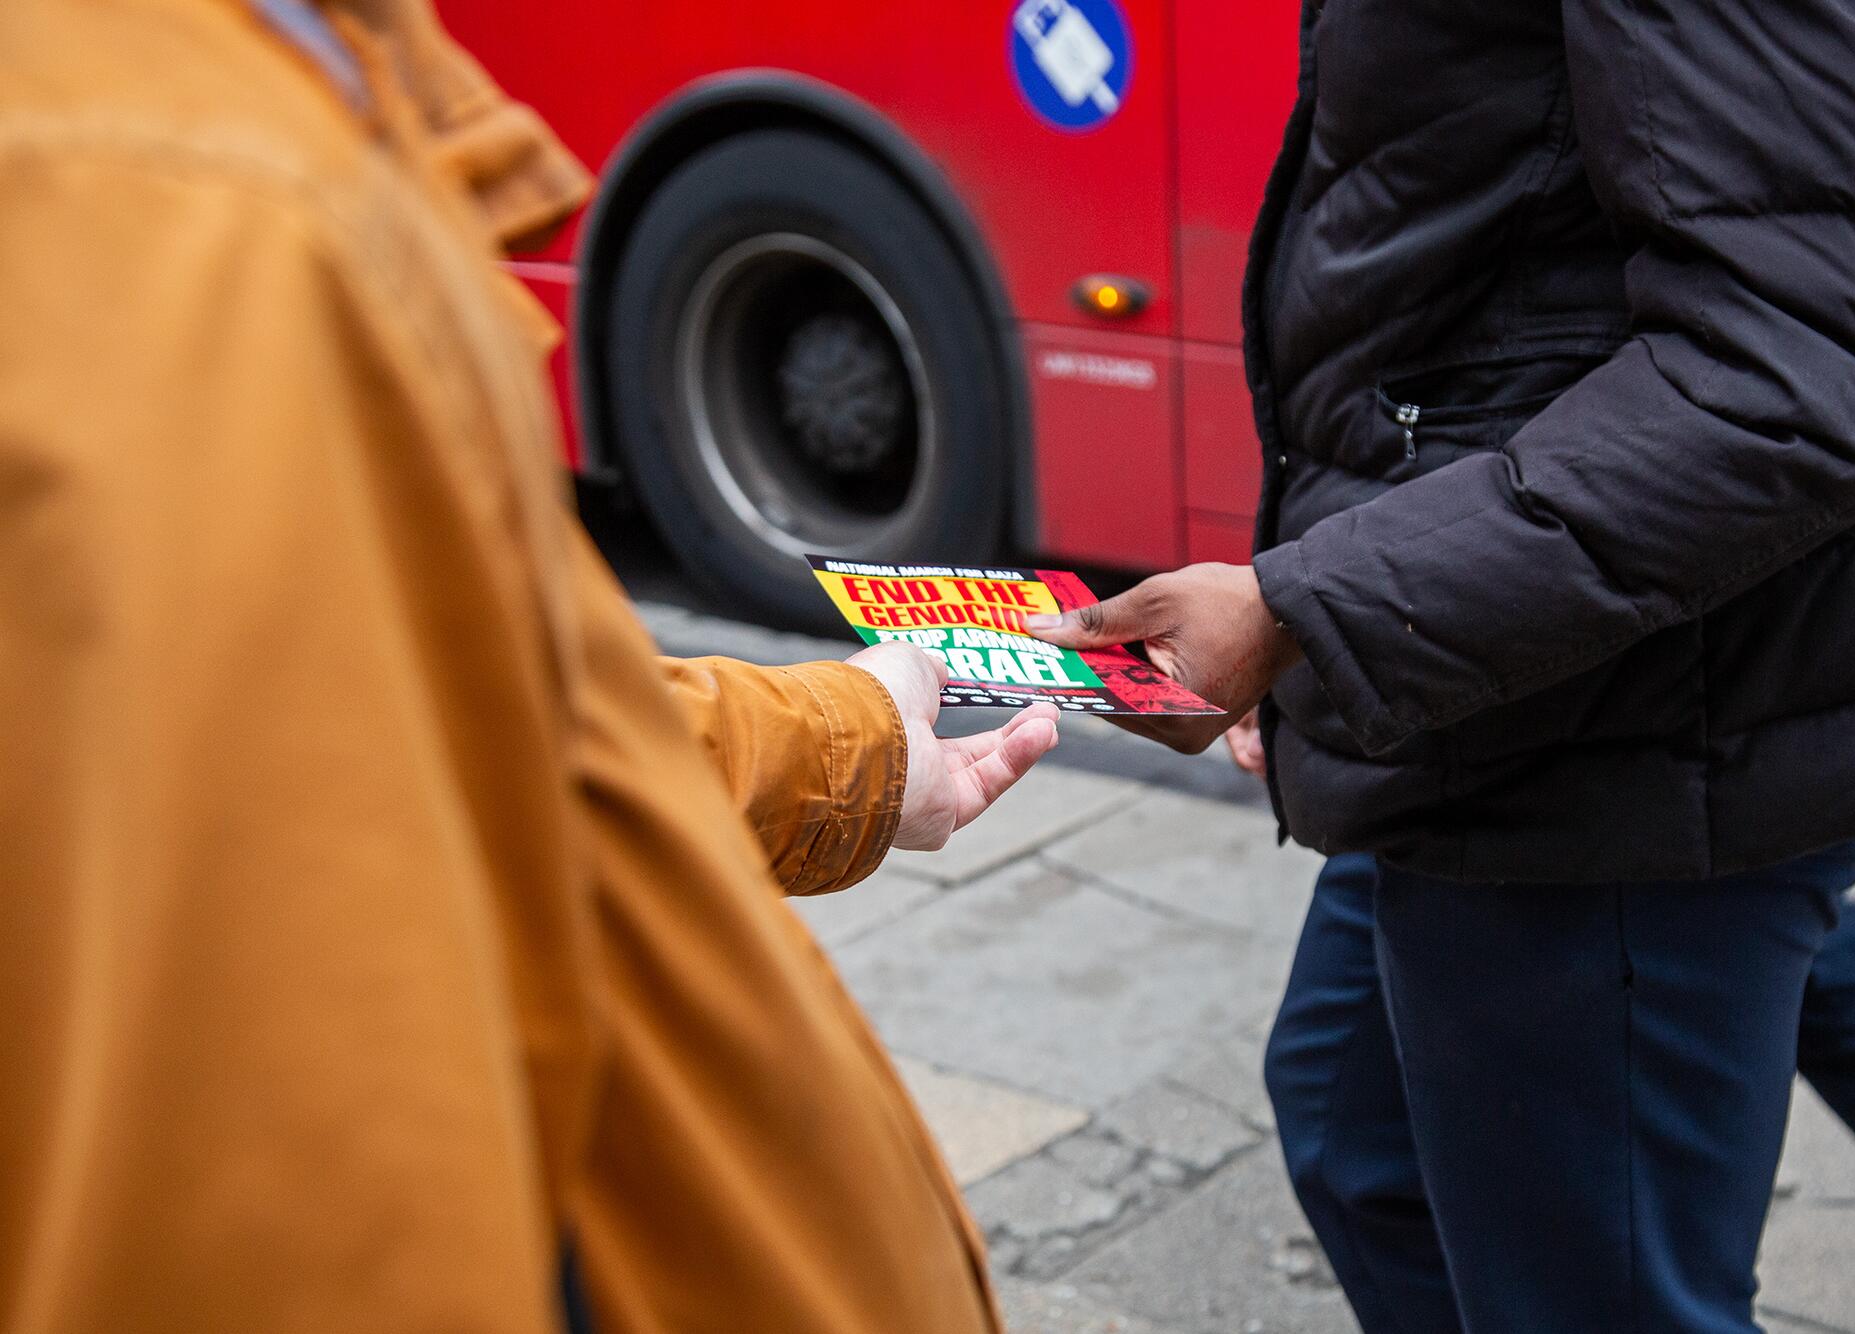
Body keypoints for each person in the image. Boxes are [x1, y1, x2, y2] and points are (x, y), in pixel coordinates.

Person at [0, 1, 1060, 1330]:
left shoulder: (212, 151)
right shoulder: (197, 213)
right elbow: (317, 1193)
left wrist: (853, 738)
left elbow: (487, 733)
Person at [1031, 1, 1855, 1328]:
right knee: (1358, 1140)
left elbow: (1791, 373)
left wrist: (1311, 613)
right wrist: (1316, 621)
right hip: (1499, 683)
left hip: (1629, 726)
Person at [1223, 721, 1855, 1330]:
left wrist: (1303, 630)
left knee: (1620, 1294)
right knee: (1348, 1126)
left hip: (1618, 736)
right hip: (1452, 728)